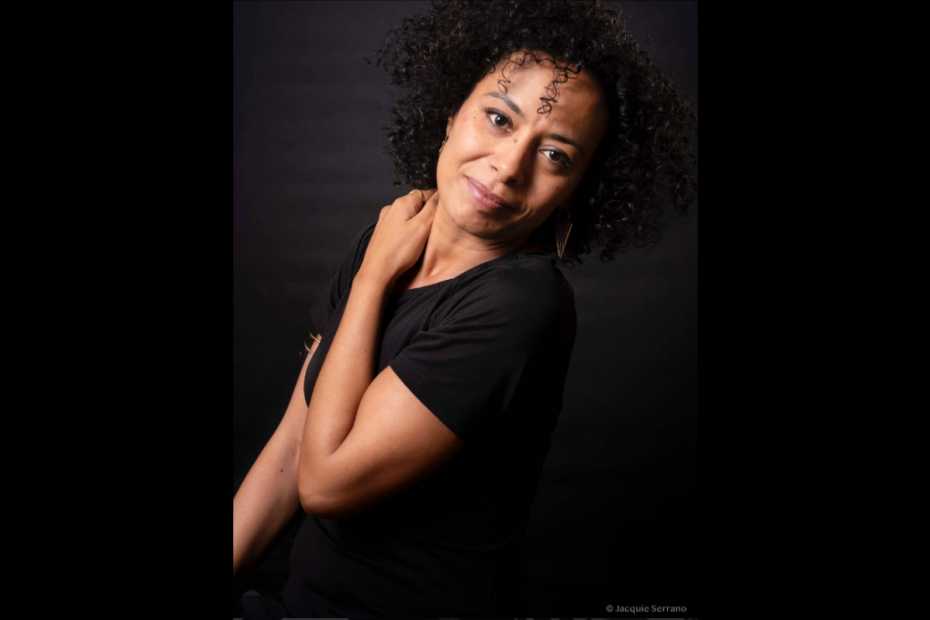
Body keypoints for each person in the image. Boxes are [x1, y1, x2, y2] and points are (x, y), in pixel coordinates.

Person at [233, 1, 696, 618]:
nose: (509, 166)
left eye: (555, 155)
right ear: (452, 114)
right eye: (499, 118)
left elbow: (325, 482)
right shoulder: (389, 240)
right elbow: (292, 447)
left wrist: (373, 279)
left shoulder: (521, 304)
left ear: (577, 190)